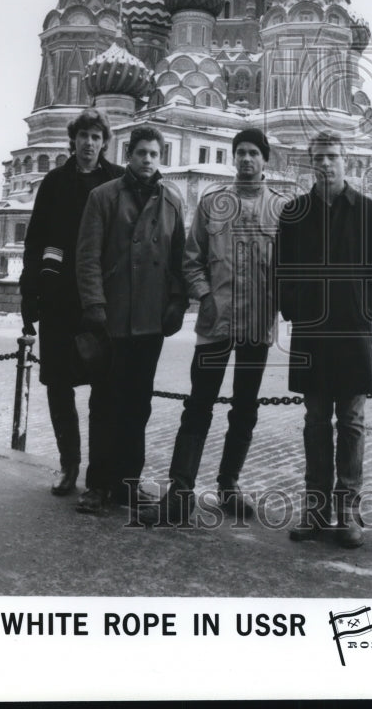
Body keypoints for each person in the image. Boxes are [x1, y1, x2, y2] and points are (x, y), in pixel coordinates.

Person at [151, 128, 286, 526]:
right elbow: (192, 258)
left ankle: (229, 486)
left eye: (254, 154)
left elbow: (289, 268)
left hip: (257, 326)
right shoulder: (214, 202)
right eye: (240, 153)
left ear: (265, 160)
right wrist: (205, 296)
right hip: (215, 323)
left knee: (245, 408)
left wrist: (279, 301)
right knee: (199, 404)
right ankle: (180, 489)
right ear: (233, 158)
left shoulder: (280, 209)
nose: (246, 160)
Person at [275, 131, 372, 548]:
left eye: (333, 157)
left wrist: (368, 309)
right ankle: (315, 510)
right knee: (314, 423)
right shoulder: (295, 213)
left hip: (351, 334)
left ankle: (346, 513)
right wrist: (294, 307)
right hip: (311, 333)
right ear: (311, 163)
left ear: (347, 161)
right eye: (319, 158)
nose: (326, 164)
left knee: (351, 422)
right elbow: (282, 269)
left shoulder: (368, 212)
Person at [75, 125, 187, 515]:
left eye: (154, 154)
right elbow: (87, 256)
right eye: (141, 153)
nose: (147, 160)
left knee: (138, 404)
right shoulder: (103, 197)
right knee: (105, 402)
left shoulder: (171, 200)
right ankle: (96, 485)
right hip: (112, 317)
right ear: (129, 155)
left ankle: (126, 483)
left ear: (162, 158)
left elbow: (178, 260)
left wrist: (177, 302)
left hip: (149, 321)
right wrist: (94, 304)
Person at [19, 109, 124, 496]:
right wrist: (29, 293)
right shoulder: (55, 182)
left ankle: (99, 471)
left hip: (101, 300)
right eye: (83, 136)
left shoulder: (116, 181)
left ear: (104, 142)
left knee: (104, 388)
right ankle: (69, 464)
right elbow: (36, 239)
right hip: (60, 298)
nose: (89, 143)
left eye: (96, 137)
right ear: (73, 140)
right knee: (59, 384)